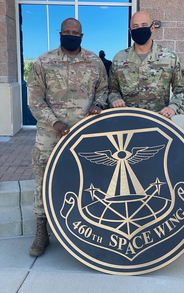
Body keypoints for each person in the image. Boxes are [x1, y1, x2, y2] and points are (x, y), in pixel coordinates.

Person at [27, 18, 108, 256]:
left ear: (81, 36)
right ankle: (42, 230)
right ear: (60, 33)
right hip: (50, 134)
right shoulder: (44, 61)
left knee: (89, 179)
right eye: (66, 32)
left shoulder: (95, 62)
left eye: (75, 32)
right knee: (43, 178)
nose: (71, 35)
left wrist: (99, 104)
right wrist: (54, 121)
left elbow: (103, 90)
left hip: (85, 134)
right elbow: (34, 98)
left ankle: (88, 229)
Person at [108, 11, 184, 119]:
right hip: (127, 122)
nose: (140, 29)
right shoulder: (119, 58)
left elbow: (183, 87)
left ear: (152, 28)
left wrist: (173, 107)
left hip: (158, 122)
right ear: (130, 31)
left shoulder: (169, 57)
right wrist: (115, 99)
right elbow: (111, 89)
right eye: (135, 26)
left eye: (144, 25)